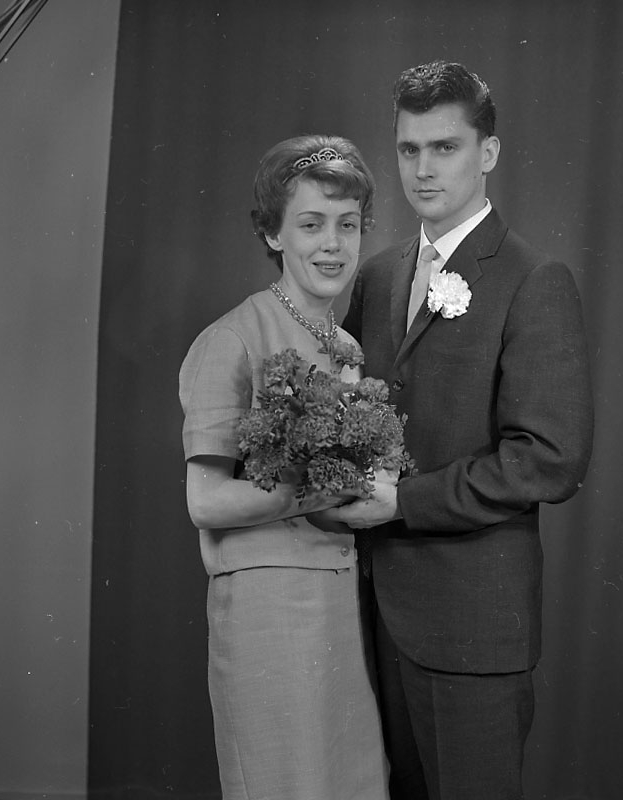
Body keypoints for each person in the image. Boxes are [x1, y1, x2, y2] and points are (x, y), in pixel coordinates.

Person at [321, 61, 594, 799]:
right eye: (409, 149)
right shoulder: (378, 276)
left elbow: (550, 458)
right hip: (377, 617)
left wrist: (403, 503)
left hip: (473, 628)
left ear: (488, 153)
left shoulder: (533, 279)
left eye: (445, 147)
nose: (423, 168)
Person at [178, 134, 390, 800]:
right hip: (270, 605)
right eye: (311, 224)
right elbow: (205, 502)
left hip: (344, 603)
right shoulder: (232, 339)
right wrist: (319, 491)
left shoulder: (347, 347)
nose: (333, 244)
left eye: (347, 225)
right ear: (273, 233)